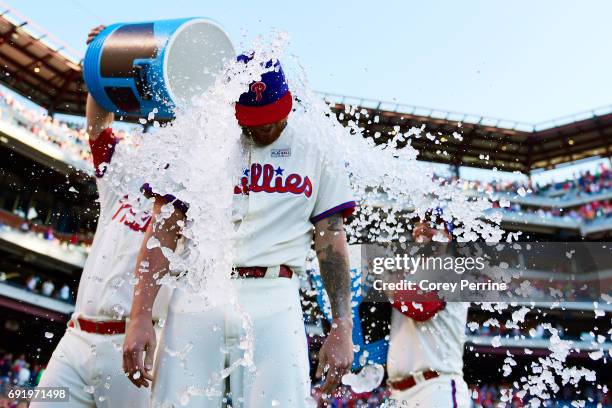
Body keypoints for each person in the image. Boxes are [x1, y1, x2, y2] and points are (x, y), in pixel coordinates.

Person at [122, 55, 356, 407]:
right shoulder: (199, 141)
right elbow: (164, 230)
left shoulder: (317, 147)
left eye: (272, 117)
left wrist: (342, 324)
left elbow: (331, 240)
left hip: (276, 293)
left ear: (288, 100)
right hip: (197, 289)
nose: (264, 129)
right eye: (253, 120)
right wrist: (140, 315)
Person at [30, 25, 169, 408]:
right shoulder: (125, 174)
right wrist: (101, 62)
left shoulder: (192, 197)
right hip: (75, 338)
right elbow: (97, 128)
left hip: (132, 344)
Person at [384, 219, 471, 407]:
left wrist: (385, 281)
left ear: (448, 235)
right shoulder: (408, 271)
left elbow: (420, 307)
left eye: (432, 224)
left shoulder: (450, 267)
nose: (423, 228)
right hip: (399, 393)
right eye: (418, 222)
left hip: (436, 388)